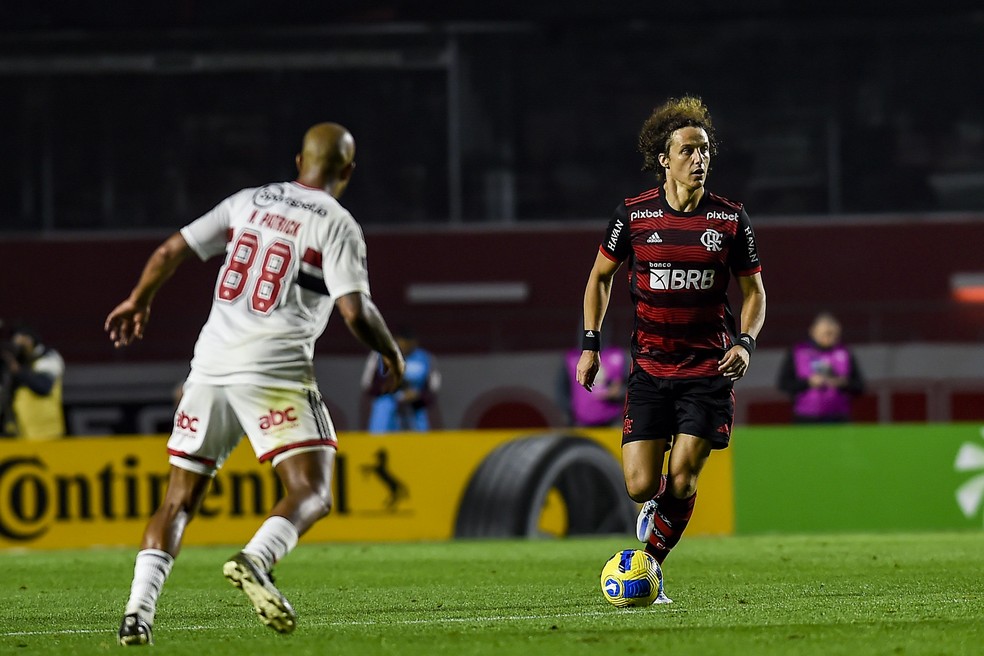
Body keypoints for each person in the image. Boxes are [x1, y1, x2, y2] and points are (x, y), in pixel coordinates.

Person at [104, 122, 405, 646]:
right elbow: (355, 311)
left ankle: (137, 612)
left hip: (209, 365)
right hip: (273, 369)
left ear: (298, 161)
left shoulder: (247, 201)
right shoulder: (337, 224)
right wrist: (390, 351)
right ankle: (256, 560)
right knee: (310, 490)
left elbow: (170, 250)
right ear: (348, 171)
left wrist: (139, 299)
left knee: (177, 500)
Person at [575, 96, 766, 589]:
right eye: (688, 151)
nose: (699, 159)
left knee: (683, 476)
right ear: (664, 159)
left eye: (705, 151)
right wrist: (591, 345)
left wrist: (744, 343)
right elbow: (599, 278)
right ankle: (658, 509)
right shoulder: (633, 217)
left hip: (707, 369)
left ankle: (651, 565)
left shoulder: (729, 220)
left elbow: (754, 292)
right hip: (650, 368)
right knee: (641, 485)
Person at [777, 312, 864, 423]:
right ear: (813, 332)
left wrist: (842, 383)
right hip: (806, 418)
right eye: (824, 334)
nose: (828, 338)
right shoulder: (798, 352)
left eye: (832, 334)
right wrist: (808, 383)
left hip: (839, 418)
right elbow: (784, 384)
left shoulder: (845, 352)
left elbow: (859, 386)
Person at [361, 328, 440, 432]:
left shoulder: (425, 358)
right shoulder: (379, 355)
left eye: (409, 343)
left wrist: (418, 395)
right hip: (385, 409)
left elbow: (433, 388)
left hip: (415, 410)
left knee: (417, 444)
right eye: (402, 343)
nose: (405, 347)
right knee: (381, 441)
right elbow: (367, 384)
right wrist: (391, 388)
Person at [0, 323, 66, 439]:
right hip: (20, 433)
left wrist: (18, 371)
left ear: (30, 339)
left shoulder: (49, 358)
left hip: (47, 434)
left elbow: (43, 387)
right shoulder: (18, 362)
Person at [561, 344, 627, 427]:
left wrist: (619, 393)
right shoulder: (572, 357)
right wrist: (569, 412)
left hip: (612, 420)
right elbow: (563, 388)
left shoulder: (617, 356)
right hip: (581, 421)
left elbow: (627, 386)